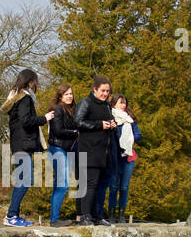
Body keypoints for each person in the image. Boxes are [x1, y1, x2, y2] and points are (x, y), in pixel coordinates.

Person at [2, 68, 53, 227]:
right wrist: (44, 118)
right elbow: (26, 120)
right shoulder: (25, 98)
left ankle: (14, 214)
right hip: (23, 144)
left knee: (22, 179)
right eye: (34, 82)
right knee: (26, 180)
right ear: (30, 81)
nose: (35, 85)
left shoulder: (15, 97)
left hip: (18, 143)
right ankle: (11, 215)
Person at [73, 76, 118, 226]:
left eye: (107, 91)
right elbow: (78, 122)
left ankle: (96, 215)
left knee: (99, 185)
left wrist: (112, 124)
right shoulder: (85, 103)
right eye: (102, 91)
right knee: (88, 184)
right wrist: (100, 125)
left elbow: (108, 121)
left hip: (103, 152)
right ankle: (85, 216)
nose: (105, 94)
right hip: (88, 150)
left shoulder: (106, 106)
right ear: (95, 89)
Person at [47, 84, 78, 227]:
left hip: (65, 150)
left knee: (59, 185)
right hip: (57, 149)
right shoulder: (58, 108)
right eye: (66, 94)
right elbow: (58, 130)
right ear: (60, 96)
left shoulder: (71, 110)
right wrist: (75, 133)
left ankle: (54, 219)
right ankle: (54, 219)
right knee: (63, 184)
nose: (69, 96)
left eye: (71, 94)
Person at [106, 94, 140, 221]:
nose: (123, 105)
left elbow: (138, 135)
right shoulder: (111, 118)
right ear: (114, 104)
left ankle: (121, 214)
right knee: (113, 186)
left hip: (128, 157)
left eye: (125, 103)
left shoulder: (129, 120)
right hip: (115, 157)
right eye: (121, 102)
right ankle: (111, 213)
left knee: (124, 187)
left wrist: (129, 139)